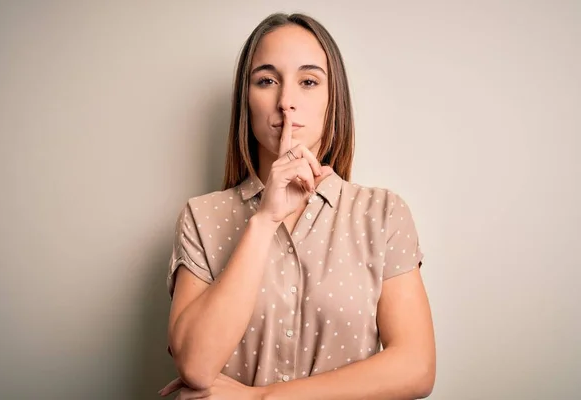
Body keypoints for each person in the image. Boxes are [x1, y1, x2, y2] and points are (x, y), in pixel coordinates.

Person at [159, 12, 435, 400]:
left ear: (331, 100)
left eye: (308, 82)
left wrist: (262, 397)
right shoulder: (202, 217)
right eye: (267, 81)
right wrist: (264, 220)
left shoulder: (383, 214)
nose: (286, 102)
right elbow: (196, 366)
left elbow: (416, 367)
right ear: (246, 99)